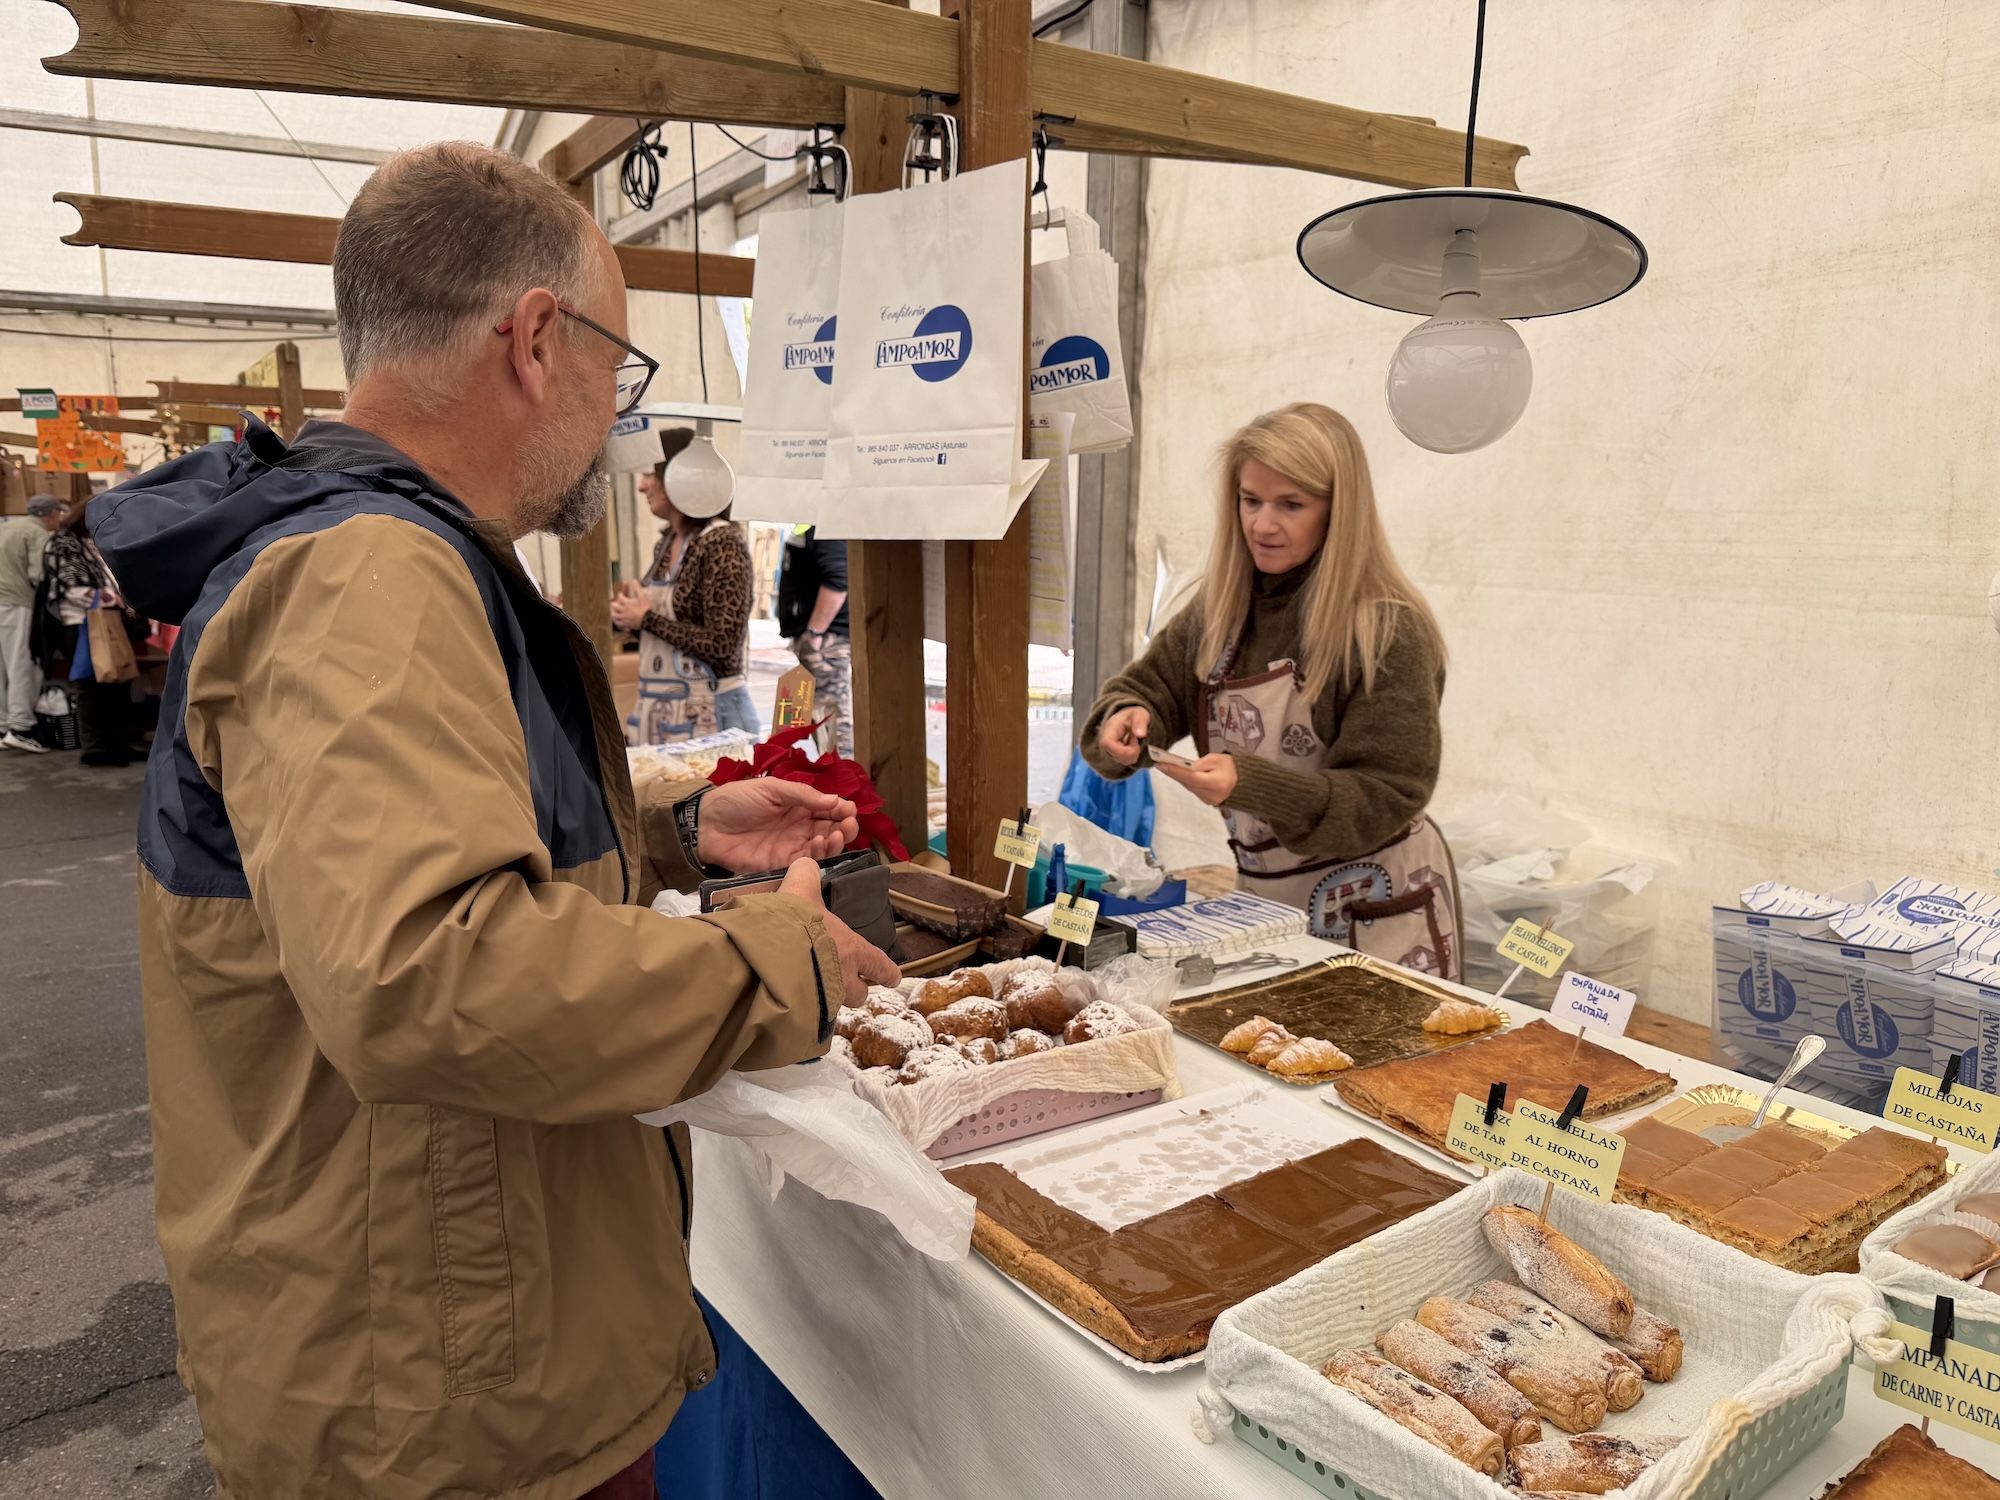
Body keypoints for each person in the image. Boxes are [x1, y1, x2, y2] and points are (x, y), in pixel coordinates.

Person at [88, 141, 899, 1500]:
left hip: (426, 1354)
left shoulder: (356, 553)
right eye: (615, 368)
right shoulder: (367, 577)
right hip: (438, 1403)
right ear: (535, 339)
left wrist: (683, 831)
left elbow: (408, 850)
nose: (615, 417)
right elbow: (429, 973)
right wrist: (782, 962)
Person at [1080, 403, 1461, 979]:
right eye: (1250, 500)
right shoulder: (1224, 608)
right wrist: (1128, 718)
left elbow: (1389, 793)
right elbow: (1150, 688)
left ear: (1340, 511)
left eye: (1291, 505)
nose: (1261, 524)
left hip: (1379, 907)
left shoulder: (1387, 630)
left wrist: (1253, 785)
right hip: (1268, 903)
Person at [613, 428, 760, 742]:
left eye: (650, 474)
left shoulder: (722, 545)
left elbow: (723, 645)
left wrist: (648, 619)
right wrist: (626, 617)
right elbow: (664, 628)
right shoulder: (665, 544)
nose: (641, 486)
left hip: (714, 715)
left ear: (682, 476)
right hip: (663, 715)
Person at [31, 499, 136, 765]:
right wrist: (117, 600)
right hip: (82, 622)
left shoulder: (78, 542)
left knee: (109, 682)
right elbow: (72, 588)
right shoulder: (66, 543)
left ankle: (113, 744)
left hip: (93, 620)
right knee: (92, 684)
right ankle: (98, 748)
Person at [776, 525, 853, 757]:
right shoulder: (809, 525)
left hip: (825, 642)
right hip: (818, 640)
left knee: (832, 722)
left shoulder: (826, 525)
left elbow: (839, 581)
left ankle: (844, 786)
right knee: (819, 716)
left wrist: (814, 634)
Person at [0, 495, 62, 753]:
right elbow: (38, 574)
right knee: (22, 665)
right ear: (50, 514)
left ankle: (3, 725)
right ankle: (21, 727)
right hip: (19, 603)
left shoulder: (6, 526)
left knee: (1, 668)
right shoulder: (37, 534)